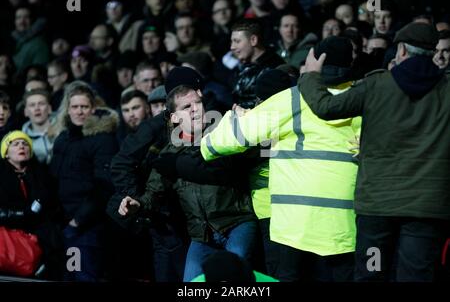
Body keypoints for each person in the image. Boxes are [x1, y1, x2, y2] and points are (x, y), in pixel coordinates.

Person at [201, 36, 361, 282]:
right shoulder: (366, 99)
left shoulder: (291, 99)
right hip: (345, 228)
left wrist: (218, 132)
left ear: (315, 61)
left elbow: (225, 141)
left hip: (293, 228)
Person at [299, 22, 450, 282]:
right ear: (433, 52)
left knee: (371, 273)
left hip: (377, 210)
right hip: (427, 208)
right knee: (415, 276)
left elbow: (325, 107)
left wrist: (311, 75)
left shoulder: (376, 85)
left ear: (401, 50)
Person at [119, 84, 257, 282]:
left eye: (198, 103)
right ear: (174, 117)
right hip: (202, 236)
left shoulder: (223, 134)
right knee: (190, 284)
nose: (195, 109)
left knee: (234, 278)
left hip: (237, 223)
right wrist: (137, 205)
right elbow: (153, 194)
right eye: (186, 107)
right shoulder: (168, 153)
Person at [50, 81, 119, 281]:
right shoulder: (63, 138)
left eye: (84, 107)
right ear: (68, 110)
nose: (79, 111)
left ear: (93, 109)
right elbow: (54, 179)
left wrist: (77, 221)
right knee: (69, 276)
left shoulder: (103, 139)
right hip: (64, 225)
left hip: (87, 228)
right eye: (75, 107)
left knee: (84, 277)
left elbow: (104, 186)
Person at [0, 130, 59, 279]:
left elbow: (50, 204)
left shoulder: (42, 174)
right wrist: (20, 214)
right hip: (8, 232)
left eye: (25, 144)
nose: (22, 146)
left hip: (38, 232)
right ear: (6, 153)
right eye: (15, 144)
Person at [230, 19, 284, 109]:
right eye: (232, 42)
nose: (232, 47)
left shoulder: (274, 68)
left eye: (237, 41)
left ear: (253, 40)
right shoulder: (244, 68)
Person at [21, 89, 55, 164]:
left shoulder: (64, 130)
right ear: (26, 112)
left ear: (49, 109)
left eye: (41, 104)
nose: (37, 108)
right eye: (32, 105)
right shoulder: (22, 141)